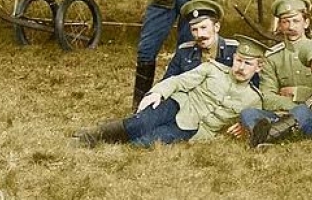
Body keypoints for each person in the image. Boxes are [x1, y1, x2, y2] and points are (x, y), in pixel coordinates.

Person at [73, 36, 266, 148]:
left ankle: (108, 149)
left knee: (148, 142)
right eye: (238, 60)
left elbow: (256, 120)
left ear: (258, 68)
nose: (241, 67)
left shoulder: (254, 99)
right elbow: (177, 81)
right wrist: (157, 93)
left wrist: (244, 127)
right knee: (140, 123)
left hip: (195, 130)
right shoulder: (212, 69)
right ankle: (90, 136)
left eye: (248, 64)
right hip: (177, 105)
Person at [240, 0, 312, 146]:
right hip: (283, 115)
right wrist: (292, 108)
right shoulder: (273, 56)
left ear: (306, 23)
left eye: (296, 21)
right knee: (248, 113)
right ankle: (276, 134)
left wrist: (298, 93)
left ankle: (264, 138)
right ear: (280, 25)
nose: (291, 27)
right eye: (285, 22)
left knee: (302, 112)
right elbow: (267, 97)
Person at [160, 0, 238, 80]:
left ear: (216, 27)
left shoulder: (234, 50)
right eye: (194, 30)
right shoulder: (184, 52)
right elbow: (166, 82)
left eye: (203, 27)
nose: (199, 35)